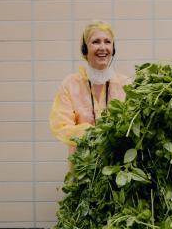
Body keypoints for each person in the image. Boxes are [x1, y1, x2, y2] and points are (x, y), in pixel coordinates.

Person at [50, 20, 131, 154]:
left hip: (118, 169)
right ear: (85, 49)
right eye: (96, 42)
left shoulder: (126, 85)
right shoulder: (70, 84)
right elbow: (61, 126)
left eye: (107, 42)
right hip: (83, 168)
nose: (102, 47)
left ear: (113, 49)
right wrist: (94, 132)